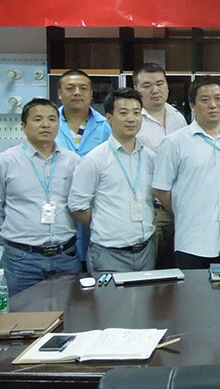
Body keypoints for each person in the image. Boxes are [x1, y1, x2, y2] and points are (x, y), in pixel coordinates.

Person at [153, 76, 220, 269]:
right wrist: (184, 210)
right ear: (192, 105)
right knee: (192, 289)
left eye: (218, 98)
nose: (213, 105)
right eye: (204, 100)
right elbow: (160, 188)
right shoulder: (175, 142)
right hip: (192, 242)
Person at [68, 89, 156, 273]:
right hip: (108, 253)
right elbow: (78, 206)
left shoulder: (150, 157)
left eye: (136, 113)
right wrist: (104, 224)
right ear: (109, 117)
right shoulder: (94, 159)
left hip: (146, 250)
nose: (131, 119)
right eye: (123, 113)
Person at [0, 98, 81, 296]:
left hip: (65, 256)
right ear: (23, 126)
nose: (46, 124)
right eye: (38, 119)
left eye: (52, 119)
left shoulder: (73, 161)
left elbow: (80, 203)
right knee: (21, 313)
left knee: (69, 311)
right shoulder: (6, 161)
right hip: (21, 259)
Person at [133, 62, 188, 270]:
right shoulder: (133, 120)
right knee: (152, 269)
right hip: (150, 208)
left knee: (177, 267)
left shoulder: (178, 117)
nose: (155, 90)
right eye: (147, 85)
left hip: (180, 207)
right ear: (136, 89)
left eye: (160, 83)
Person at [55, 69, 111, 266]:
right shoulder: (50, 123)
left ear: (91, 93)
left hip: (94, 207)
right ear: (60, 94)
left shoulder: (105, 126)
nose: (77, 92)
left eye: (83, 88)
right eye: (70, 88)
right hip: (58, 205)